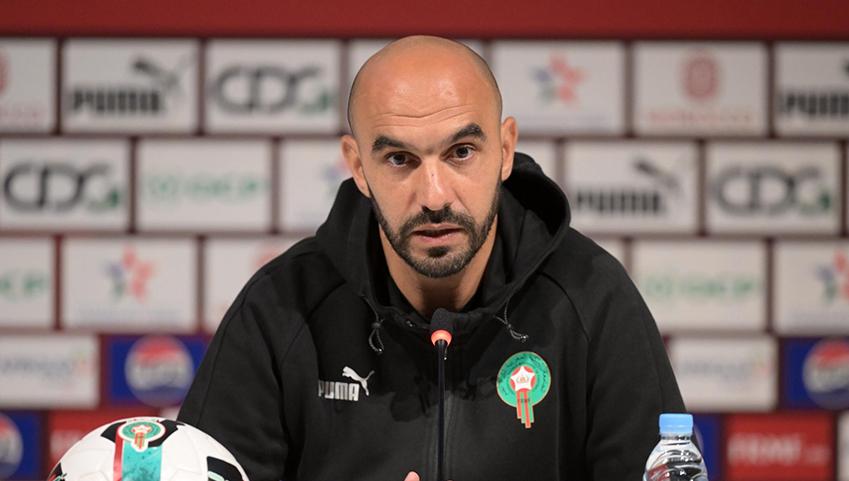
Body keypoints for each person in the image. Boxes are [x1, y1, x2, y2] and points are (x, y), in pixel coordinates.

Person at [178, 35, 685, 481]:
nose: (434, 196)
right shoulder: (280, 308)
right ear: (358, 166)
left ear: (505, 149)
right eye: (399, 159)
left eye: (461, 152)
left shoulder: (593, 299)